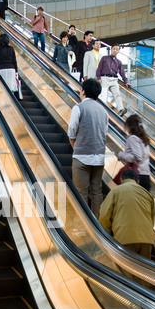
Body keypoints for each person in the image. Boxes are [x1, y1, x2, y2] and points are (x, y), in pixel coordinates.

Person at [68, 78, 109, 218]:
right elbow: (104, 133)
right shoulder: (104, 112)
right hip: (99, 157)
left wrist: (76, 147)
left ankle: (84, 224)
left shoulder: (78, 107)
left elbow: (71, 131)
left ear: (83, 91)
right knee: (97, 191)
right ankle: (97, 224)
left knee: (81, 192)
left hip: (82, 156)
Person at [99, 169, 155, 261]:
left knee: (125, 272)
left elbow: (104, 216)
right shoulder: (147, 194)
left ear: (122, 179)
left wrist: (107, 236)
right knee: (142, 272)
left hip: (124, 238)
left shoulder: (115, 191)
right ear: (138, 181)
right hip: (147, 240)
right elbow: (151, 220)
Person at [117, 114, 151, 191]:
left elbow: (137, 157)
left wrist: (121, 155)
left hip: (136, 175)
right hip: (145, 174)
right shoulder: (143, 139)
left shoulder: (133, 138)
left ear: (129, 126)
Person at [96, 43, 131, 117]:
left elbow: (122, 73)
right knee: (104, 95)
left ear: (118, 51)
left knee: (117, 94)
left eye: (117, 49)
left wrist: (126, 81)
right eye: (114, 49)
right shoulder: (104, 58)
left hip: (114, 79)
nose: (115, 50)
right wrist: (98, 78)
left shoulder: (119, 62)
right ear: (111, 49)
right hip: (104, 78)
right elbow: (99, 68)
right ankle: (102, 111)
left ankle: (121, 109)